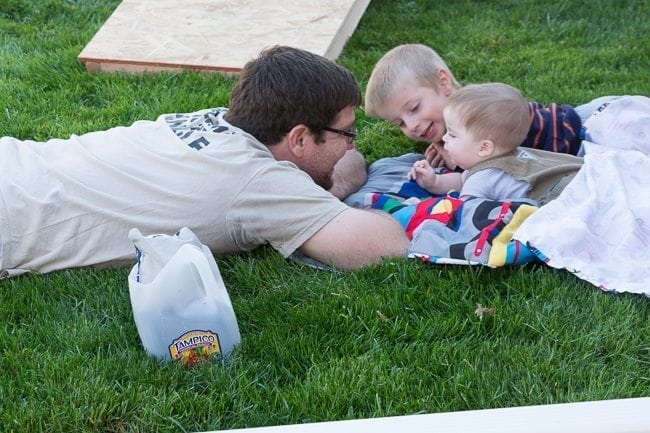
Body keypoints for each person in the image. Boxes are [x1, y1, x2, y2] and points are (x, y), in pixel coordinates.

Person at [0, 45, 410, 278]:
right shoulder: (260, 182)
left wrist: (333, 173)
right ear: (299, 138)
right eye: (347, 133)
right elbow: (385, 248)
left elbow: (343, 160)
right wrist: (341, 186)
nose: (353, 146)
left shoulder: (218, 121)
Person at [364, 44, 584, 169]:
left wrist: (458, 162)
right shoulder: (446, 135)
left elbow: (490, 164)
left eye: (414, 108)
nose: (411, 125)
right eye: (400, 123)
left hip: (563, 138)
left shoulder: (478, 111)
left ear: (443, 82)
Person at [407, 82, 583, 204]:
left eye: (452, 135)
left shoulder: (482, 179)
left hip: (568, 195)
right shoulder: (504, 155)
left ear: (484, 148)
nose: (444, 139)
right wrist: (435, 181)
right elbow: (463, 180)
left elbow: (467, 213)